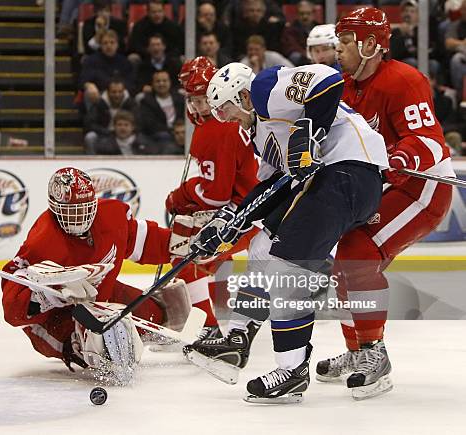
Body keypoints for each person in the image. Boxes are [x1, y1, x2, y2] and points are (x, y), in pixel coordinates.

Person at [189, 61, 388, 402]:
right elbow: (272, 187)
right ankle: (240, 334)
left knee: (287, 268)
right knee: (264, 247)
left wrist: (309, 130)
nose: (225, 119)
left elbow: (327, 80)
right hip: (328, 183)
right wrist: (231, 226)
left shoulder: (267, 88)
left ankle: (292, 369)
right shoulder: (259, 137)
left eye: (226, 109)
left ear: (243, 95)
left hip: (349, 173)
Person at [315, 7, 454, 400]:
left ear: (371, 44)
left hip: (421, 190)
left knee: (357, 252)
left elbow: (427, 141)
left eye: (344, 42)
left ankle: (375, 355)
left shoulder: (404, 81)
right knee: (345, 265)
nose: (337, 49)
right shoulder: (343, 85)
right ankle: (359, 351)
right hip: (382, 189)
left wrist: (393, 161)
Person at [1, 167, 190, 383]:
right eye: (72, 210)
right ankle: (87, 349)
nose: (79, 217)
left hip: (102, 295)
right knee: (100, 340)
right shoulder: (42, 240)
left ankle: (173, 336)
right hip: (56, 317)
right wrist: (51, 294)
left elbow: (144, 241)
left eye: (84, 208)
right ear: (54, 207)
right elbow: (12, 309)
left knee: (163, 311)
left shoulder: (112, 217)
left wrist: (180, 244)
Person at [165, 64, 260, 346]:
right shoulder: (225, 122)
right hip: (256, 207)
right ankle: (220, 311)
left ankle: (209, 325)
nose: (198, 106)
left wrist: (182, 195)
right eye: (193, 99)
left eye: (203, 98)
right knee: (213, 254)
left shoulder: (215, 131)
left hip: (248, 213)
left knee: (186, 255)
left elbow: (217, 195)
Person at [79, 29, 135, 106]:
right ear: (101, 45)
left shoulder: (124, 62)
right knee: (89, 92)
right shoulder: (91, 60)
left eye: (112, 42)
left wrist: (118, 90)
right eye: (105, 43)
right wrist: (89, 85)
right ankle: (92, 118)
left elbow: (131, 82)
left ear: (117, 45)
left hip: (120, 93)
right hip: (99, 93)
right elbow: (83, 79)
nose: (109, 46)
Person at [83, 78, 137, 154]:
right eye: (114, 92)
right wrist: (106, 132)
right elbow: (90, 123)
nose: (117, 95)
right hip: (104, 134)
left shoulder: (131, 103)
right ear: (108, 92)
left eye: (120, 92)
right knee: (90, 137)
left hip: (127, 134)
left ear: (124, 92)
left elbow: (137, 122)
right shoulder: (99, 103)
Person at [138, 70, 184, 153]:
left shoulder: (180, 98)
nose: (161, 84)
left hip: (181, 133)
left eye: (164, 81)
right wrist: (172, 132)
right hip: (159, 137)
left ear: (170, 82)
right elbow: (149, 124)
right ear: (152, 84)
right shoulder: (146, 101)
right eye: (158, 81)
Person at [280, 0, 319, 66]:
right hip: (301, 58)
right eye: (302, 13)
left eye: (308, 13)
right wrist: (308, 55)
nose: (305, 16)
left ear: (313, 14)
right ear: (297, 14)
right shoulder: (290, 30)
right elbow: (292, 47)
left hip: (318, 54)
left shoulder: (319, 28)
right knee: (295, 56)